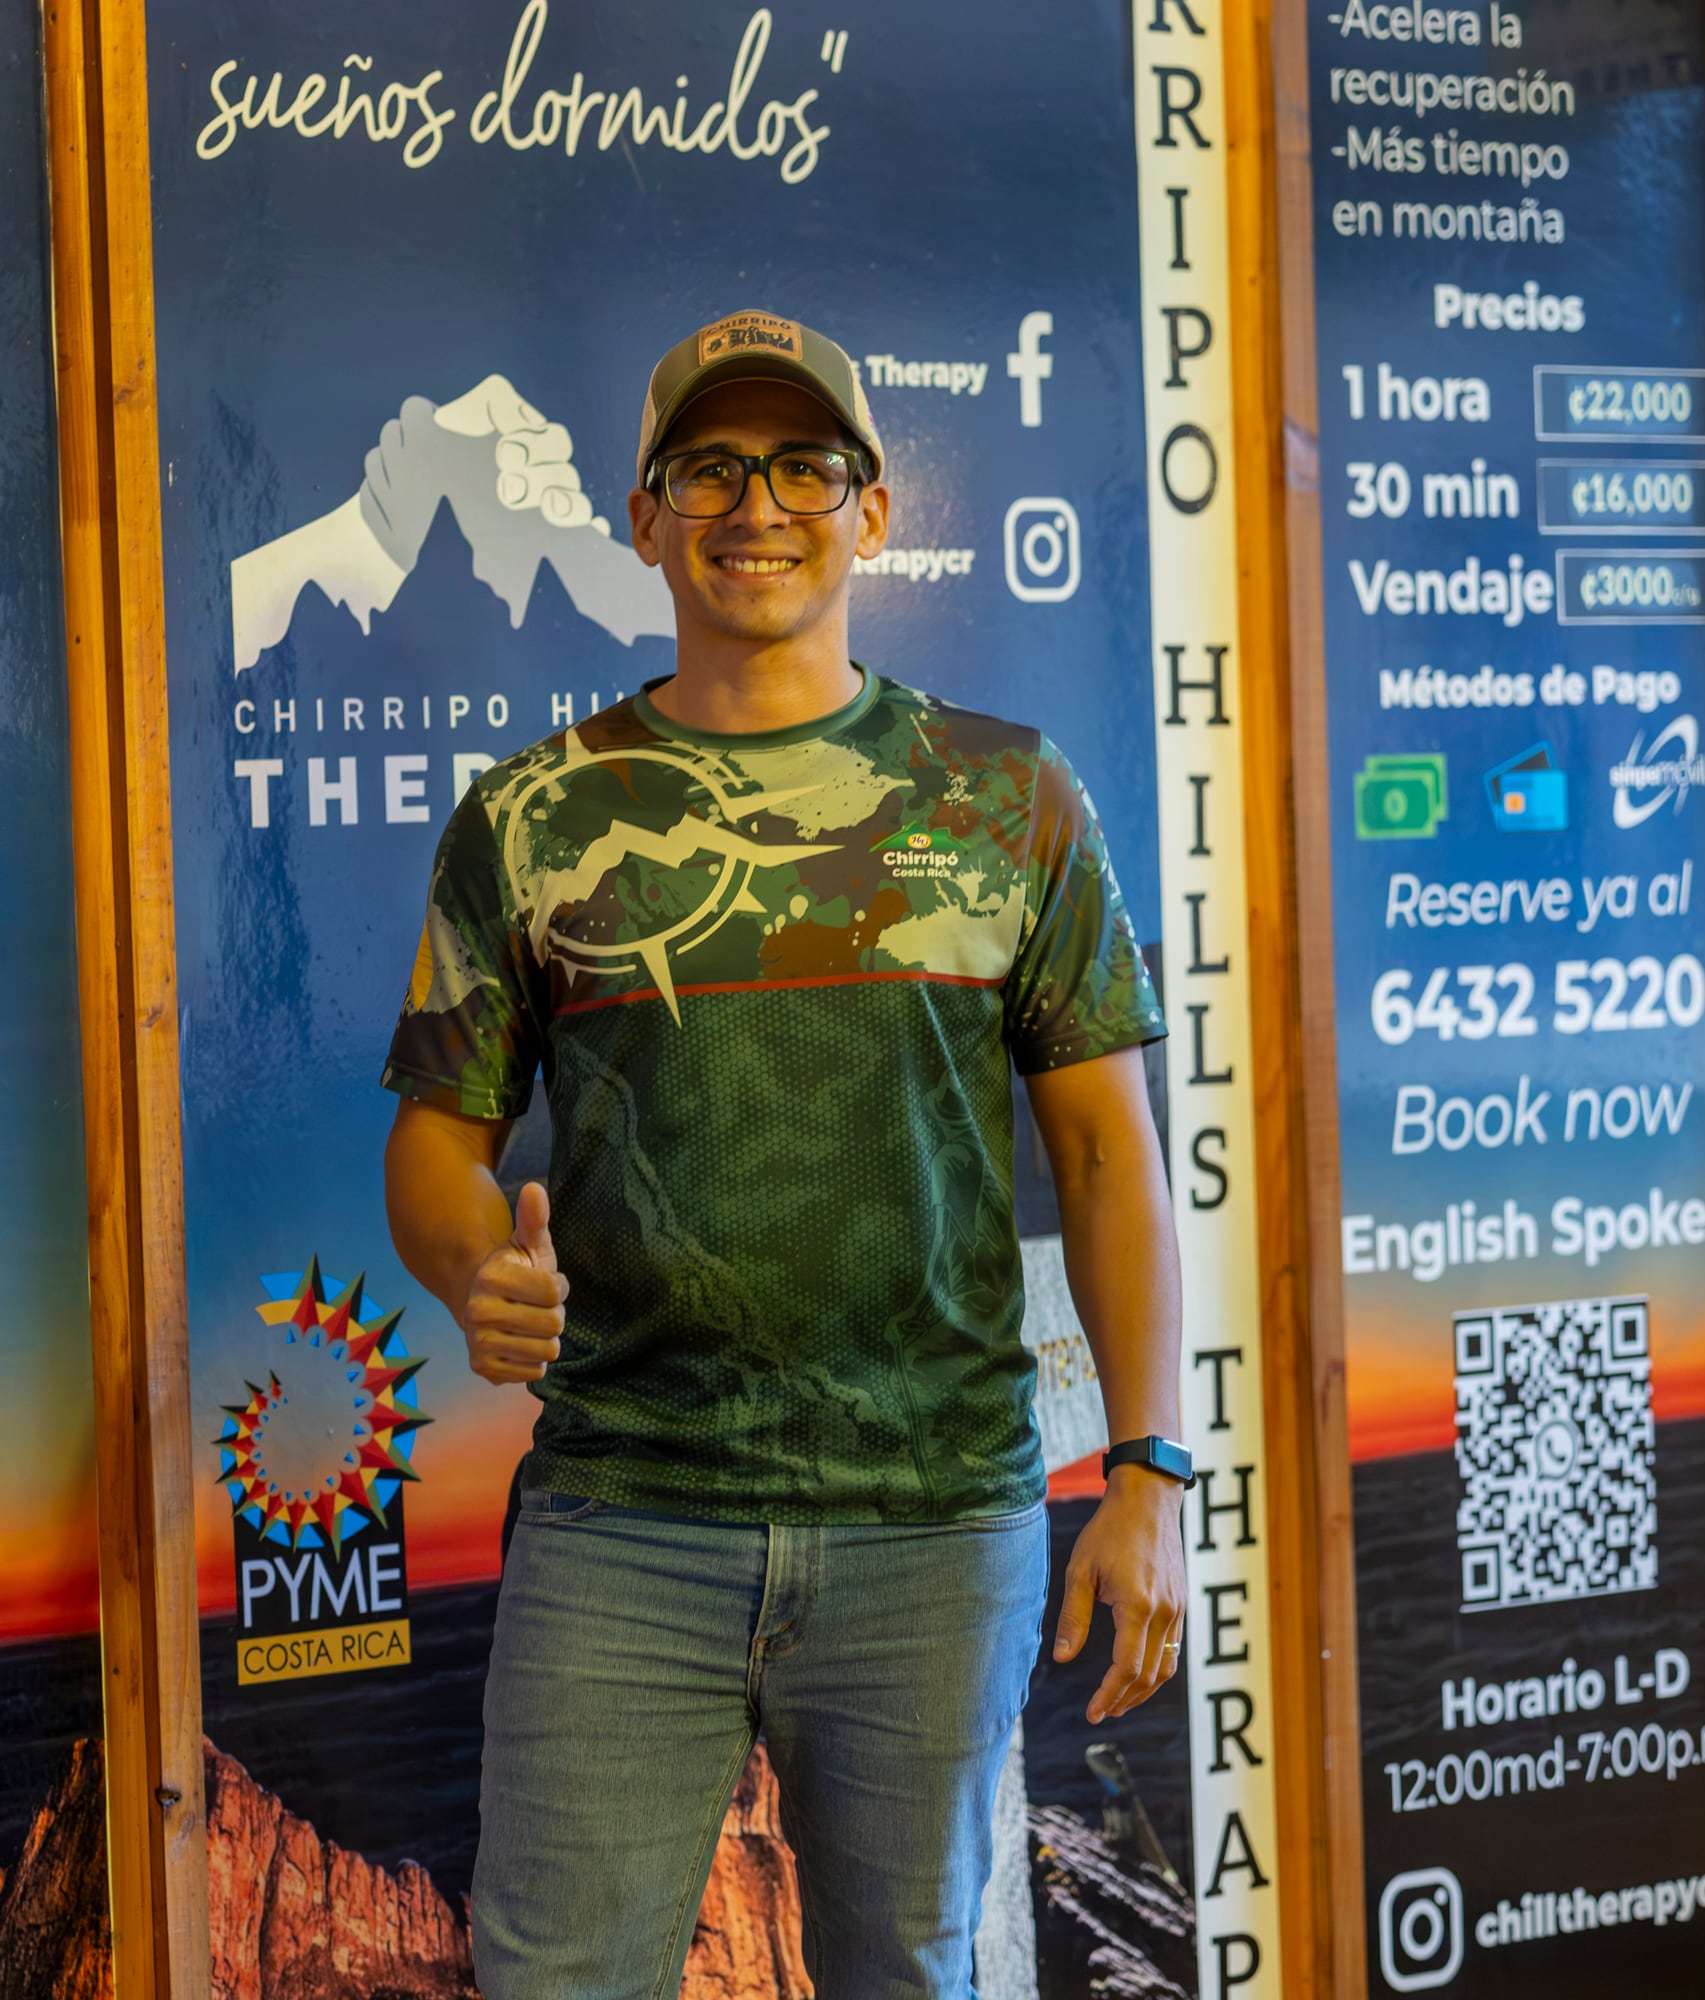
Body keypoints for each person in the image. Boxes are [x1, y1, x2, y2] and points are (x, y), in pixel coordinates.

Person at [380, 310, 1192, 2000]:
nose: (761, 504)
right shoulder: (533, 816)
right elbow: (433, 1151)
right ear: (644, 514)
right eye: (714, 468)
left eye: (807, 465)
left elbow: (1112, 1160)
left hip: (934, 1525)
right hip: (627, 1519)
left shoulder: (1009, 797)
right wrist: (475, 1270)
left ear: (874, 510)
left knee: (910, 1975)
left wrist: (1148, 1468)